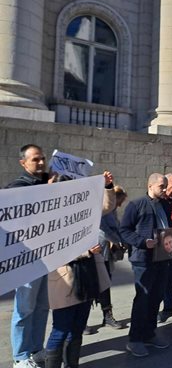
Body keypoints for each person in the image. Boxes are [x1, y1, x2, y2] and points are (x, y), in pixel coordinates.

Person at [45, 171, 116, 368]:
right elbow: (51, 251)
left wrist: (108, 186)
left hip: (87, 277)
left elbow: (107, 206)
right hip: (64, 280)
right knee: (60, 330)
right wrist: (85, 252)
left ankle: (71, 365)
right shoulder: (48, 217)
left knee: (77, 329)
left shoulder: (81, 209)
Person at [6, 144, 55, 368]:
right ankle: (20, 356)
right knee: (24, 308)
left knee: (42, 306)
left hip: (45, 258)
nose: (41, 163)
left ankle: (36, 349)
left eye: (43, 158)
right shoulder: (18, 187)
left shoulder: (47, 182)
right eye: (35, 159)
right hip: (25, 259)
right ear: (23, 163)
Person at [120, 173, 171, 357]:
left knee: (156, 297)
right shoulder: (137, 204)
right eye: (161, 186)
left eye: (165, 186)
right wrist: (142, 242)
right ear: (150, 186)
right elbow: (124, 231)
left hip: (162, 258)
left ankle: (150, 333)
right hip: (143, 260)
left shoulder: (165, 204)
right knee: (143, 299)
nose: (165, 190)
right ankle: (135, 339)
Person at [95, 185, 129, 330]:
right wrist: (117, 240)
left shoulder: (112, 211)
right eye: (120, 201)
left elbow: (117, 227)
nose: (121, 204)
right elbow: (103, 230)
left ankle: (107, 315)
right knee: (96, 285)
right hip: (99, 251)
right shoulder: (103, 210)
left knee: (105, 284)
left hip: (107, 254)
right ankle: (83, 321)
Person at [158, 174, 172, 324]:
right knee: (162, 277)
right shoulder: (159, 201)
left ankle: (170, 305)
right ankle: (163, 307)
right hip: (161, 243)